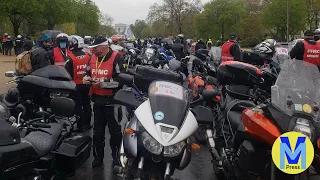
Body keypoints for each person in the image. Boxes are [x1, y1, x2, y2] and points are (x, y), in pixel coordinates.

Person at [83, 36, 125, 168]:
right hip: (97, 101)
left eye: (94, 48)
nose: (92, 50)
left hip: (112, 102)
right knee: (98, 132)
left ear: (103, 46)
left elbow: (121, 80)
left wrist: (104, 83)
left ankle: (117, 157)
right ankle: (97, 158)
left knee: (115, 133)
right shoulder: (92, 57)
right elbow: (87, 72)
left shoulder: (117, 57)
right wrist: (86, 78)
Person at [65, 35, 92, 132]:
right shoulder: (88, 55)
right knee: (87, 104)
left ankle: (80, 126)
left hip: (76, 85)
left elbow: (67, 73)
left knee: (78, 106)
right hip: (87, 84)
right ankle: (87, 124)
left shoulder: (70, 57)